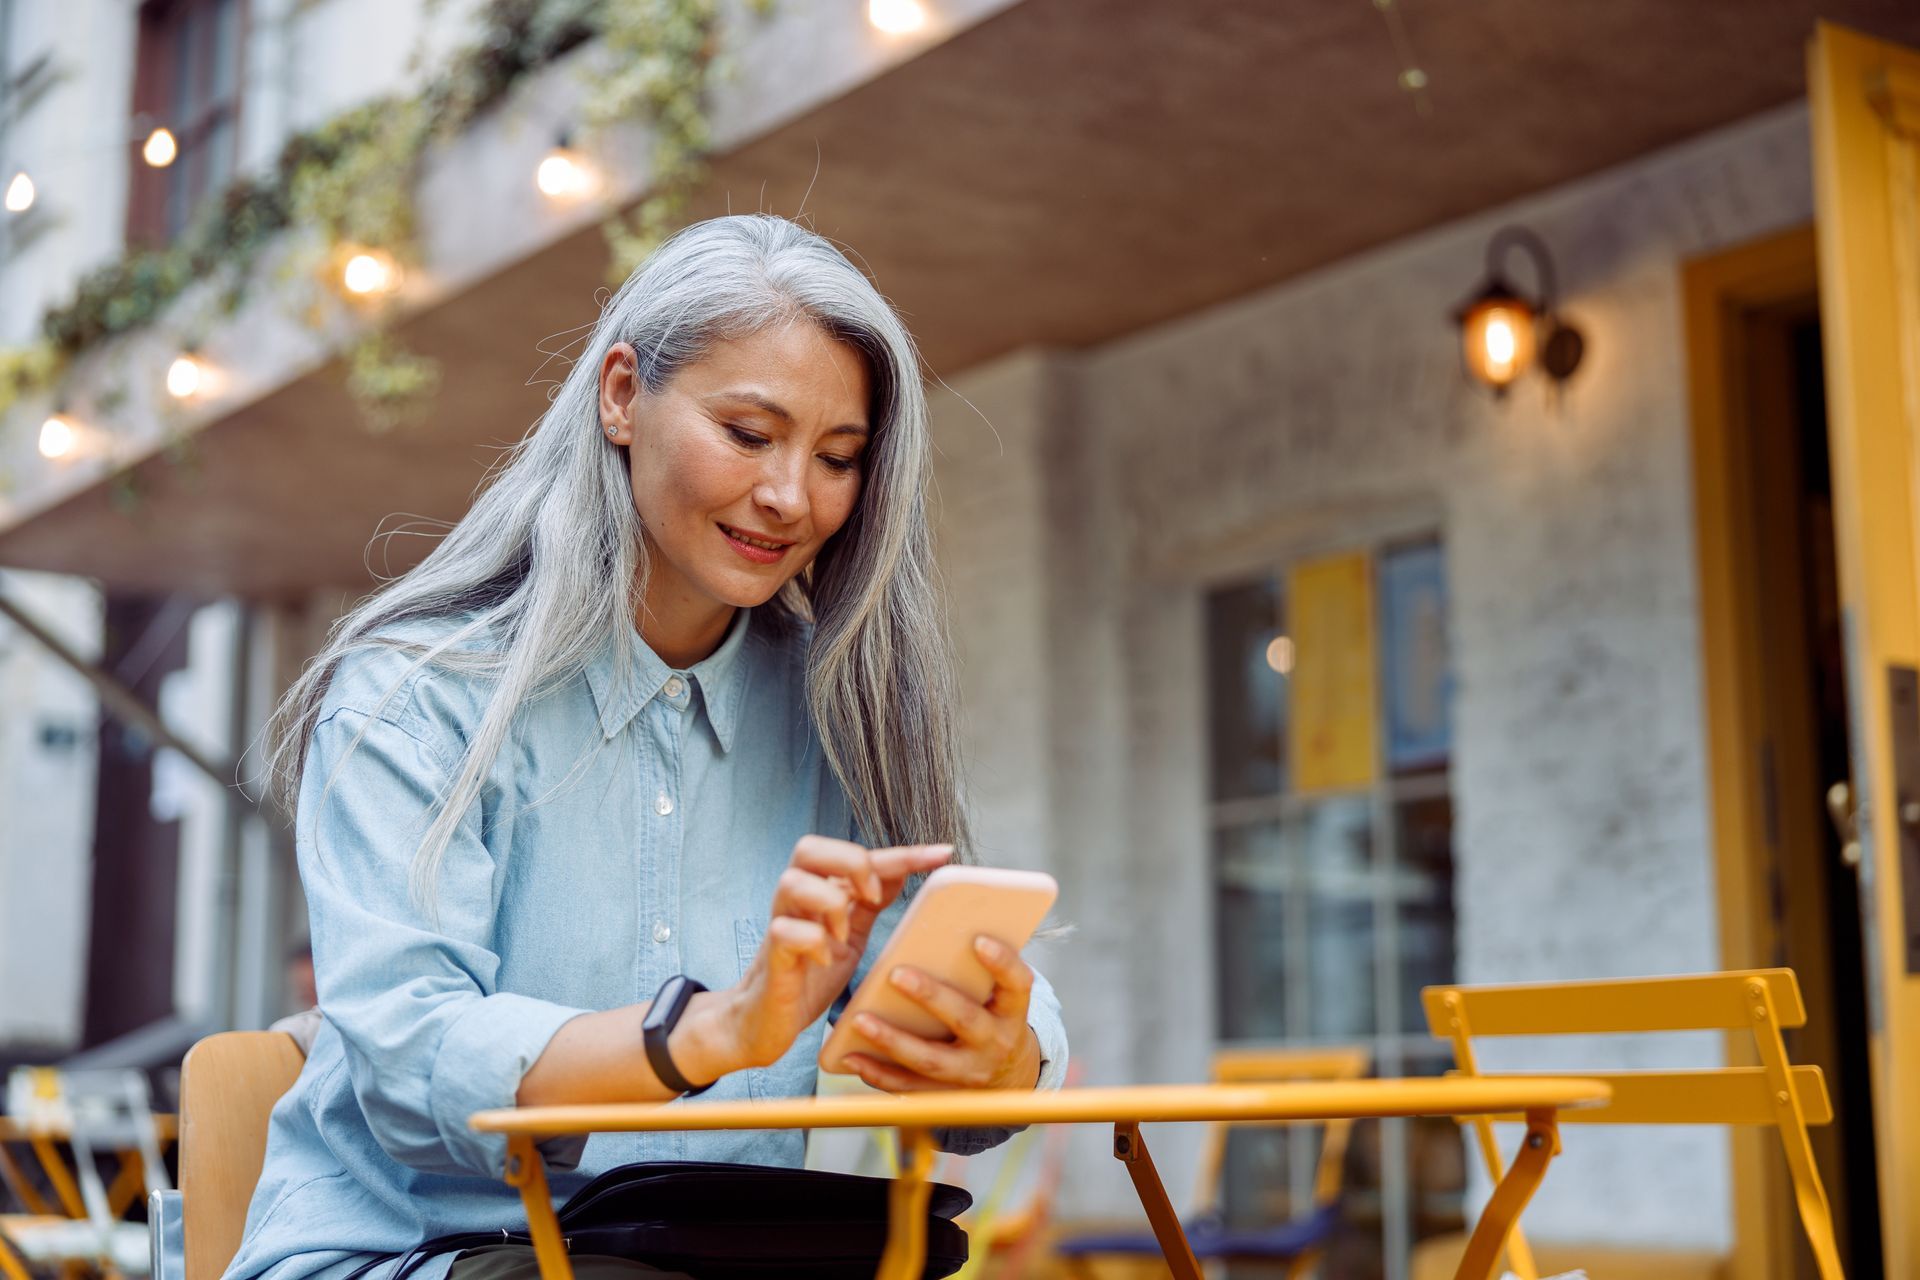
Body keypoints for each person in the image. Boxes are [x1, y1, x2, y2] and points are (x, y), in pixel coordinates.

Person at [224, 214, 1069, 1280]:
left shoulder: (831, 709)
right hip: (414, 1255)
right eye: (750, 433)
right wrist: (705, 1033)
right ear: (621, 394)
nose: (791, 496)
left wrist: (1004, 1045)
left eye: (838, 457)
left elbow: (960, 1001)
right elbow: (409, 1057)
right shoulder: (417, 693)